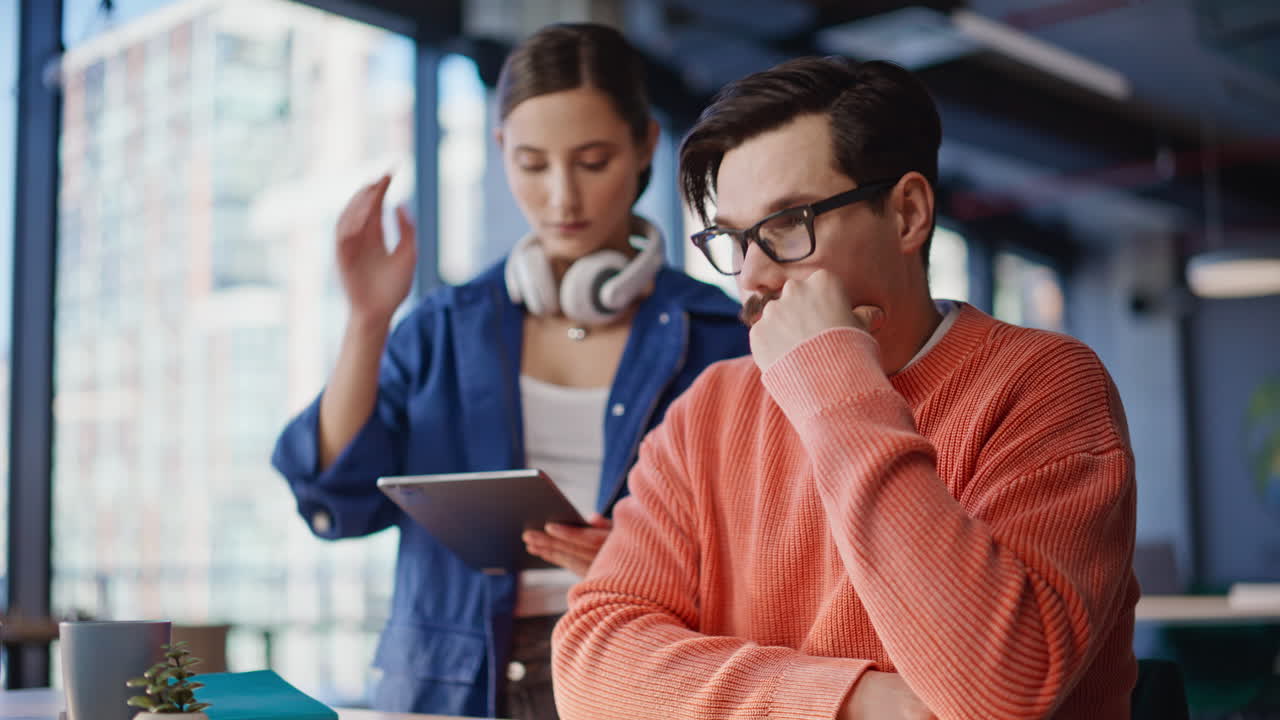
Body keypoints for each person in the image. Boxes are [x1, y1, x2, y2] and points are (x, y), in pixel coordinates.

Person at [552, 57, 1139, 720]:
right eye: (735, 239)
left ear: (908, 213)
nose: (752, 277)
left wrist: (831, 381)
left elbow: (997, 689)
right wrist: (852, 701)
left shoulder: (1044, 384)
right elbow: (590, 663)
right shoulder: (710, 409)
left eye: (786, 226)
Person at [270, 23, 749, 719]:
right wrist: (369, 319)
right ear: (501, 153)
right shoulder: (442, 328)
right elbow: (334, 498)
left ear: (646, 145)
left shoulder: (721, 335)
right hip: (455, 684)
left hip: (640, 673)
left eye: (592, 162)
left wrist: (651, 562)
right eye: (532, 164)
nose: (562, 198)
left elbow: (775, 544)